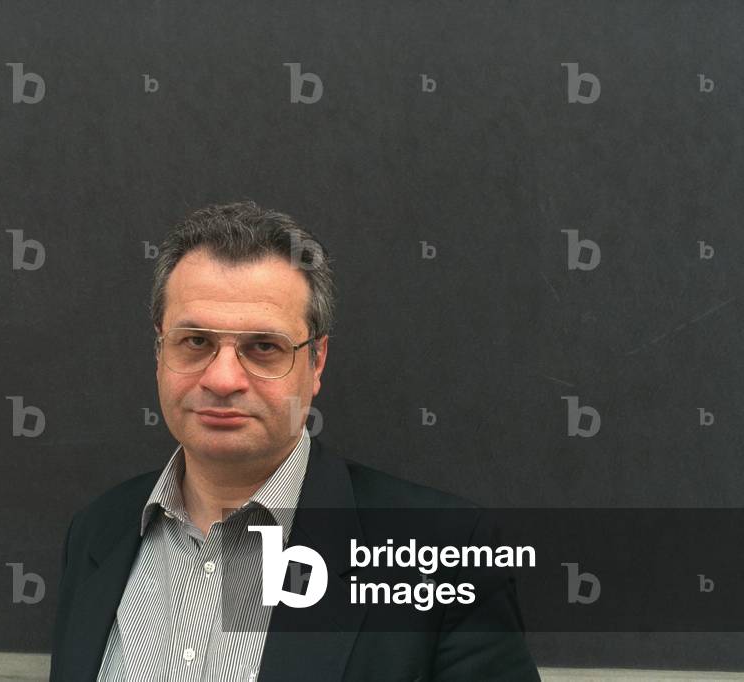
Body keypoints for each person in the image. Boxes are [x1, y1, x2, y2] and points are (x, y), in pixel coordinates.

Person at [49, 200, 540, 681]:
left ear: (316, 361)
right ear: (160, 351)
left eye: (263, 347)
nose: (222, 379)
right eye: (195, 341)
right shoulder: (97, 533)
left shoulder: (442, 555)